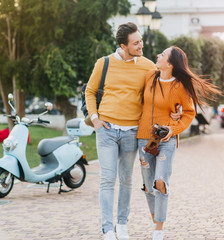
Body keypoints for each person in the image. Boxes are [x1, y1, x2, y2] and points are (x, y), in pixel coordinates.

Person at [85, 22, 181, 240]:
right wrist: (95, 118)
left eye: (141, 40)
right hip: (107, 130)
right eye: (136, 43)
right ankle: (107, 229)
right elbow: (90, 92)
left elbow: (168, 85)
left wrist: (178, 109)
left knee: (126, 179)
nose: (141, 45)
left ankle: (122, 224)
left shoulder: (148, 66)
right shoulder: (104, 63)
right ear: (123, 45)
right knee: (108, 179)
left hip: (132, 132)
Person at [136, 46, 222, 240]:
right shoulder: (150, 75)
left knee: (160, 182)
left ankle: (158, 230)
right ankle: (154, 220)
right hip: (144, 137)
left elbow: (189, 113)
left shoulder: (180, 87)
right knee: (149, 186)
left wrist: (173, 128)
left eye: (162, 54)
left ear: (170, 64)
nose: (158, 55)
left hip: (166, 138)